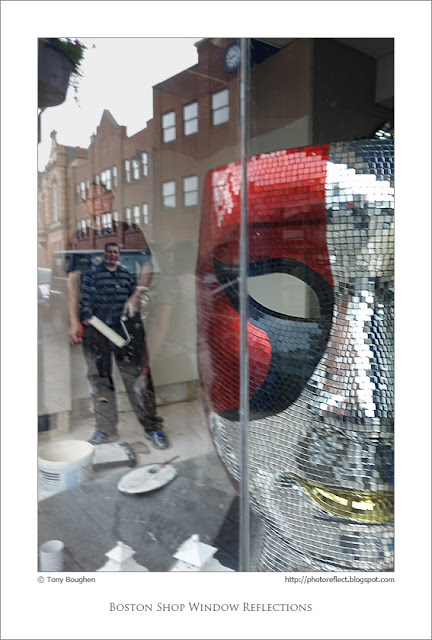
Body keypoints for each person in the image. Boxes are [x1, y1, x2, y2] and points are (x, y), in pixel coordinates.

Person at [73, 242, 169, 448]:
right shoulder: (88, 263)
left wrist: (137, 295)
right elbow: (74, 282)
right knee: (99, 378)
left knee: (138, 376)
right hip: (95, 327)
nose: (112, 255)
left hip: (126, 325)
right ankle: (105, 429)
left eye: (115, 252)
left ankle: (152, 427)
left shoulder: (126, 274)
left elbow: (147, 266)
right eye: (109, 252)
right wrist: (76, 319)